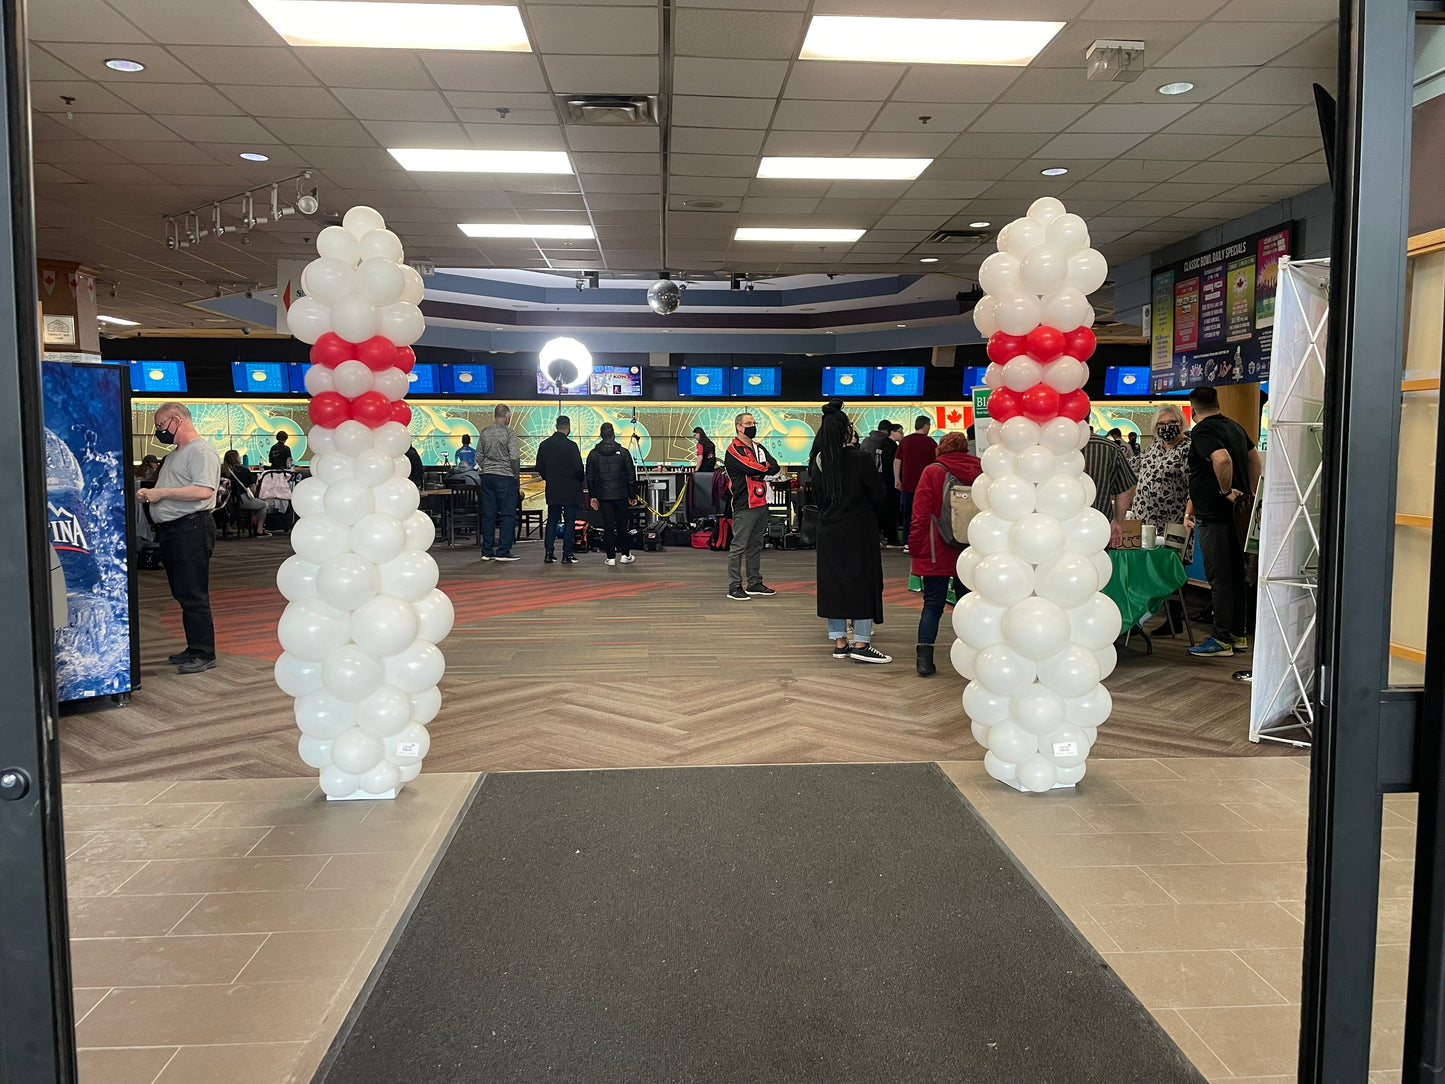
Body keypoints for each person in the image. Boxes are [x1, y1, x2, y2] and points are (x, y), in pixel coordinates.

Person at [136, 402, 221, 674]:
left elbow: (203, 491)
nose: (158, 432)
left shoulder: (200, 450)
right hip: (175, 530)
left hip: (191, 529)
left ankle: (204, 652)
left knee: (193, 593)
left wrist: (160, 494)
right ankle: (194, 647)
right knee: (184, 592)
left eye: (160, 426)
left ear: (175, 420)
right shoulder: (176, 454)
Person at [1185, 386, 1263, 658]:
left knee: (1220, 578)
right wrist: (1251, 495)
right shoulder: (1235, 427)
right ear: (1218, 403)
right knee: (1236, 576)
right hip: (1237, 518)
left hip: (1215, 516)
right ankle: (1237, 633)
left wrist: (1225, 491)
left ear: (1193, 410)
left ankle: (1220, 639)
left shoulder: (1203, 431)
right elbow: (1254, 458)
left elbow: (1221, 459)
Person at [810, 400, 890, 663]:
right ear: (846, 431)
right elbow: (879, 496)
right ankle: (862, 643)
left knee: (834, 583)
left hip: (828, 530)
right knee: (862, 583)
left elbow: (820, 498)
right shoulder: (860, 459)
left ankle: (840, 642)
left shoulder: (818, 461)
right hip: (858, 530)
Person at [909, 431, 981, 676]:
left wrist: (916, 547)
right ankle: (974, 657)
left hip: (936, 548)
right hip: (970, 549)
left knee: (933, 604)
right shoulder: (982, 473)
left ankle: (925, 660)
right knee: (968, 605)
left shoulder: (933, 471)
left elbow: (920, 514)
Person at [723, 410, 781, 601]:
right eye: (748, 424)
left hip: (761, 502)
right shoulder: (733, 449)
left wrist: (760, 471)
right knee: (739, 546)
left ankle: (754, 582)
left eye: (754, 423)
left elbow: (775, 466)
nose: (752, 427)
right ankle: (734, 586)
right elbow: (749, 467)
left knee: (756, 545)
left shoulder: (758, 447)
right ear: (739, 427)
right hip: (744, 504)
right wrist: (762, 470)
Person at [1129, 405, 1192, 533]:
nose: (1166, 427)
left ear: (1180, 423)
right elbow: (1136, 463)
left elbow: (1195, 487)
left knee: (1170, 553)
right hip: (1143, 519)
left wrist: (1188, 515)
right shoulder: (1155, 446)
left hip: (1173, 522)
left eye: (1171, 422)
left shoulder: (1188, 449)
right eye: (1161, 424)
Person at [585, 422, 639, 566]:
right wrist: (632, 495)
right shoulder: (623, 452)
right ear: (613, 434)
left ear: (601, 435)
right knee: (622, 525)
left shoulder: (593, 454)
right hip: (621, 494)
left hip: (603, 495)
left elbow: (589, 477)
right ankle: (625, 554)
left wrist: (593, 496)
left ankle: (610, 558)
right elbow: (630, 476)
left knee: (607, 526)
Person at [536, 415, 584, 564]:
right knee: (570, 522)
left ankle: (548, 554)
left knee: (552, 521)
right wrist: (579, 480)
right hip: (570, 489)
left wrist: (549, 478)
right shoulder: (572, 446)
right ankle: (567, 554)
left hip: (553, 488)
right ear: (568, 427)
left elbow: (539, 467)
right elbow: (578, 469)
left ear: (556, 426)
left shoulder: (545, 445)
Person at [477, 404, 521, 562]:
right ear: (508, 417)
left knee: (488, 515)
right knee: (507, 514)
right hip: (505, 476)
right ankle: (503, 551)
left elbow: (479, 456)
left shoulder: (485, 432)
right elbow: (514, 457)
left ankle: (487, 551)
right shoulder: (509, 432)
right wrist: (516, 474)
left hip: (487, 476)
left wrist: (487, 468)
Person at [1082, 431, 1138, 547]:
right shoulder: (1110, 448)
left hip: (1052, 529)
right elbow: (1124, 490)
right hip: (1098, 528)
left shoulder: (1047, 446)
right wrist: (1118, 522)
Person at [895, 415, 938, 552]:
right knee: (924, 515)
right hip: (926, 486)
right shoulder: (931, 443)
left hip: (908, 484)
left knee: (908, 514)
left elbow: (897, 461)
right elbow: (937, 462)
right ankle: (923, 542)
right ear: (926, 426)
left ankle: (907, 542)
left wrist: (897, 479)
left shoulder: (905, 441)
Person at [222, 449, 268, 537]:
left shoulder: (223, 472)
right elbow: (253, 489)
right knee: (263, 505)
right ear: (236, 458)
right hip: (242, 501)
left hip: (226, 503)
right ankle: (259, 530)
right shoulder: (244, 471)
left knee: (227, 509)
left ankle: (228, 528)